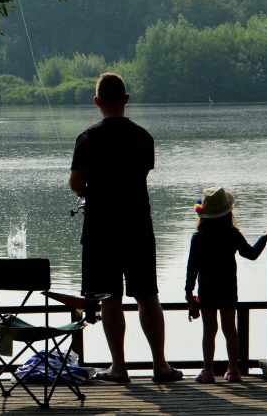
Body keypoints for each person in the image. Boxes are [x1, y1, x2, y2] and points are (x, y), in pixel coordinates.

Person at [68, 73, 182, 383]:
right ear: (126, 99)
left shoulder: (87, 138)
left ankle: (119, 368)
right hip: (137, 226)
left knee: (110, 298)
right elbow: (140, 176)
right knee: (147, 296)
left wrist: (90, 191)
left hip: (101, 230)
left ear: (96, 102)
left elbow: (77, 184)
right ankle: (161, 365)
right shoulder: (143, 137)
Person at [185, 186, 267, 383]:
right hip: (228, 289)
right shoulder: (232, 234)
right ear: (228, 213)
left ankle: (208, 371)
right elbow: (251, 254)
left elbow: (191, 267)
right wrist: (265, 235)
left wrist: (188, 292)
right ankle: (234, 370)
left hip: (207, 291)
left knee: (209, 331)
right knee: (230, 330)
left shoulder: (198, 237)